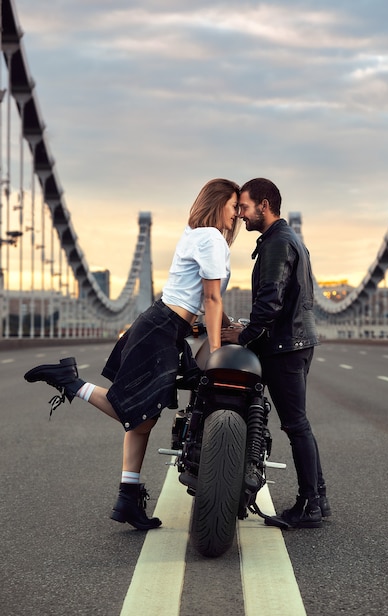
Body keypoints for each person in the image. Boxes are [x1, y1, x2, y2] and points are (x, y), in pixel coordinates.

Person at [24, 178, 241, 531]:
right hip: (161, 329)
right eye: (233, 207)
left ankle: (127, 499)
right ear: (219, 204)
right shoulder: (211, 237)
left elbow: (204, 301)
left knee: (143, 420)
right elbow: (212, 299)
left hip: (164, 326)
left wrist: (231, 326)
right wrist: (217, 350)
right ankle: (72, 381)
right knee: (135, 411)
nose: (236, 217)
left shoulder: (194, 234)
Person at [221, 178, 330, 529]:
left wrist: (245, 336)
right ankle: (318, 498)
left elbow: (270, 300)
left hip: (284, 347)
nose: (240, 214)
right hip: (296, 341)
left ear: (264, 205)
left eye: (245, 207)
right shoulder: (287, 238)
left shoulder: (277, 244)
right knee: (298, 425)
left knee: (296, 425)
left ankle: (310, 505)